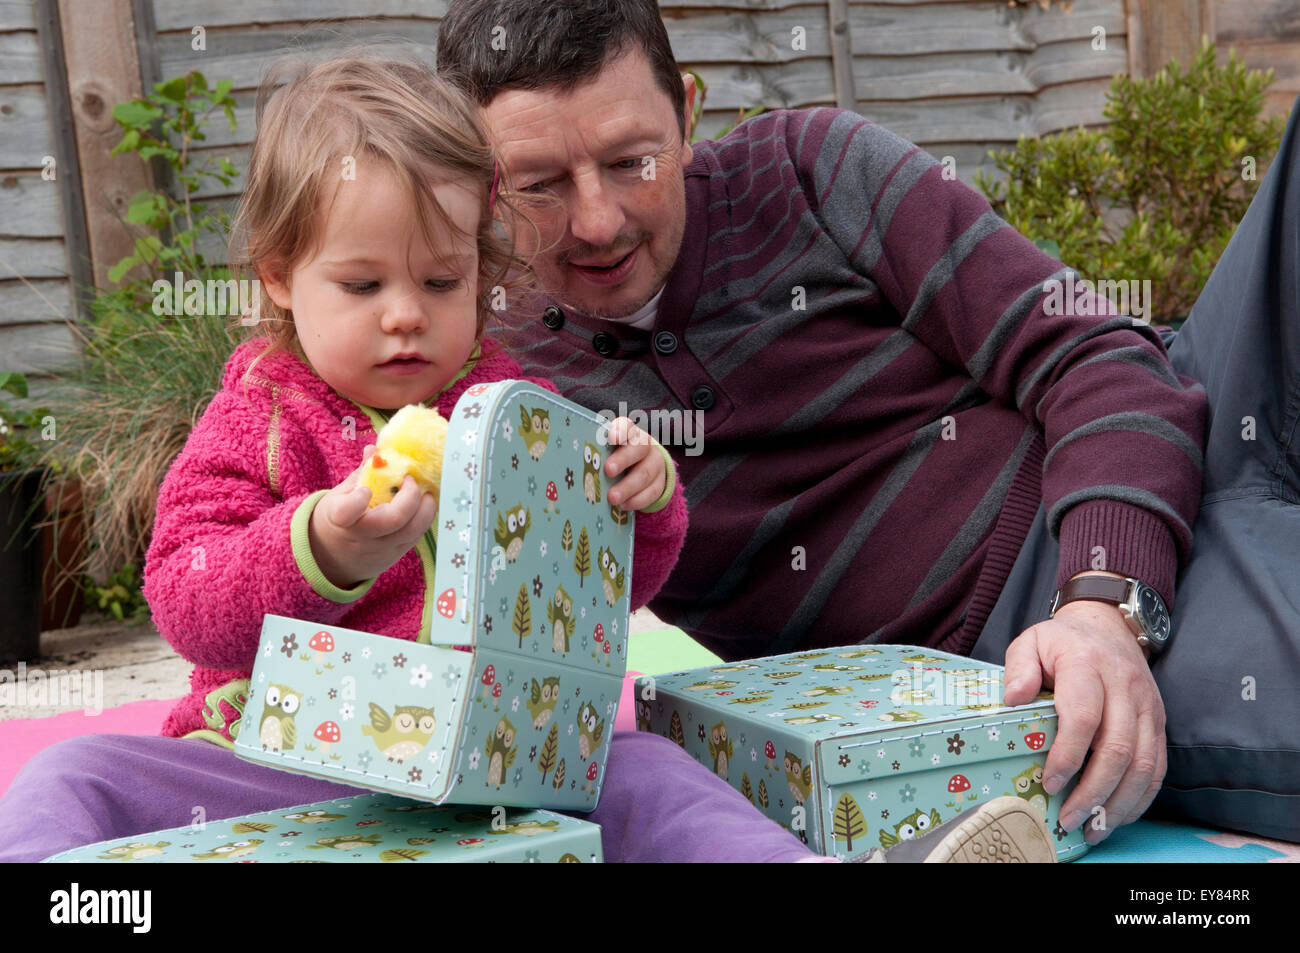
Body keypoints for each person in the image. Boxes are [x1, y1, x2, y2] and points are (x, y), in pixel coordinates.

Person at [0, 49, 1062, 866]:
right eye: (363, 286)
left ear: (484, 272)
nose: (407, 319)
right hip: (279, 768)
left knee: (653, 771)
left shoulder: (517, 409)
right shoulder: (260, 418)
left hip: (502, 769)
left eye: (443, 279)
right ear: (280, 276)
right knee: (76, 770)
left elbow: (592, 604)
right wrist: (321, 544)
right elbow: (186, 600)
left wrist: (640, 510)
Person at [437, 0, 1300, 846]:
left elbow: (1094, 355)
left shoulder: (810, 166)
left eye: (633, 161)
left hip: (1148, 451)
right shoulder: (492, 385)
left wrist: (1105, 604)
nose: (597, 221)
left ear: (689, 111)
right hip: (1013, 643)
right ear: (479, 186)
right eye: (541, 185)